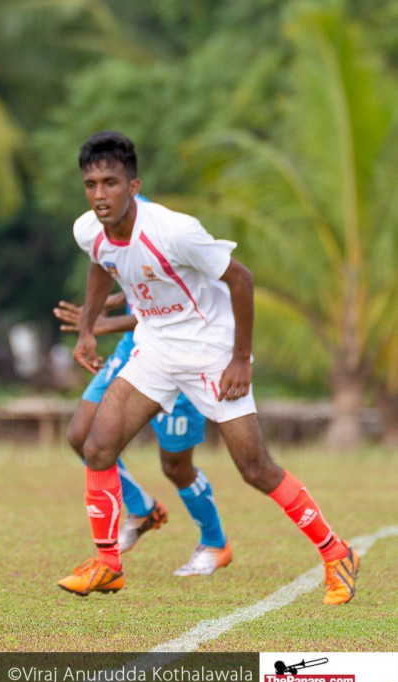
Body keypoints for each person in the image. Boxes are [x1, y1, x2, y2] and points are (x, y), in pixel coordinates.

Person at [57, 131, 358, 605]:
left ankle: (337, 552)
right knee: (97, 445)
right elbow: (101, 262)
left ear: (133, 186)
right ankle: (108, 565)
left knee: (255, 468)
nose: (99, 195)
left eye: (110, 183)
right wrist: (89, 328)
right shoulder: (88, 230)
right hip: (155, 349)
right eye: (91, 184)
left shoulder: (175, 231)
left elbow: (241, 279)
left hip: (211, 352)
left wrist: (240, 358)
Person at [55, 284, 232, 576]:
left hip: (175, 354)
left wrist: (103, 324)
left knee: (176, 467)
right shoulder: (105, 239)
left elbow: (174, 305)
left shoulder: (178, 240)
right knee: (82, 435)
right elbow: (139, 276)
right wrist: (109, 302)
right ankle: (142, 509)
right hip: (131, 349)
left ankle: (215, 543)